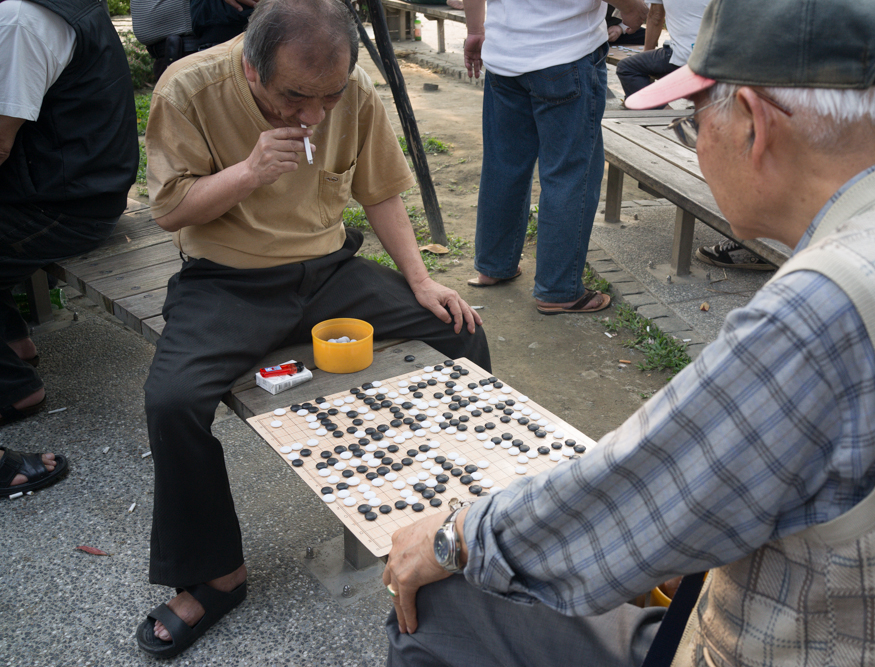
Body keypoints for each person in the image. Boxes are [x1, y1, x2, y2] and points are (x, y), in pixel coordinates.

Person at [381, 0, 875, 665]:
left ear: (755, 124)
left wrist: (452, 535)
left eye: (691, 121)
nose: (695, 142)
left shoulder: (823, 309)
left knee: (444, 598)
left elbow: (617, 508)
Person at [134, 0, 489, 657]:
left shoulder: (347, 91)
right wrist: (247, 172)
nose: (313, 116)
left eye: (329, 96)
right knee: (173, 400)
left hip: (327, 271)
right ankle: (216, 573)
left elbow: (379, 190)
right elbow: (169, 209)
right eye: (295, 97)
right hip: (226, 280)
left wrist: (419, 280)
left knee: (459, 331)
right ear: (249, 68)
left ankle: (455, 525)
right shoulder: (188, 86)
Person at [0, 0, 138, 492]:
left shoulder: (19, 18)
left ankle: (15, 390)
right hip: (82, 184)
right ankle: (15, 353)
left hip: (64, 204)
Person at [463, 0, 647, 315]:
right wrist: (634, 11)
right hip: (565, 53)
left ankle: (494, 266)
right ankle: (558, 290)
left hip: (504, 55)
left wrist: (475, 29)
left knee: (503, 166)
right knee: (569, 173)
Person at [616, 0, 709, 98]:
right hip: (719, 54)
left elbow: (656, 17)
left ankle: (664, 110)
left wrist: (647, 59)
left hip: (685, 56)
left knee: (626, 68)